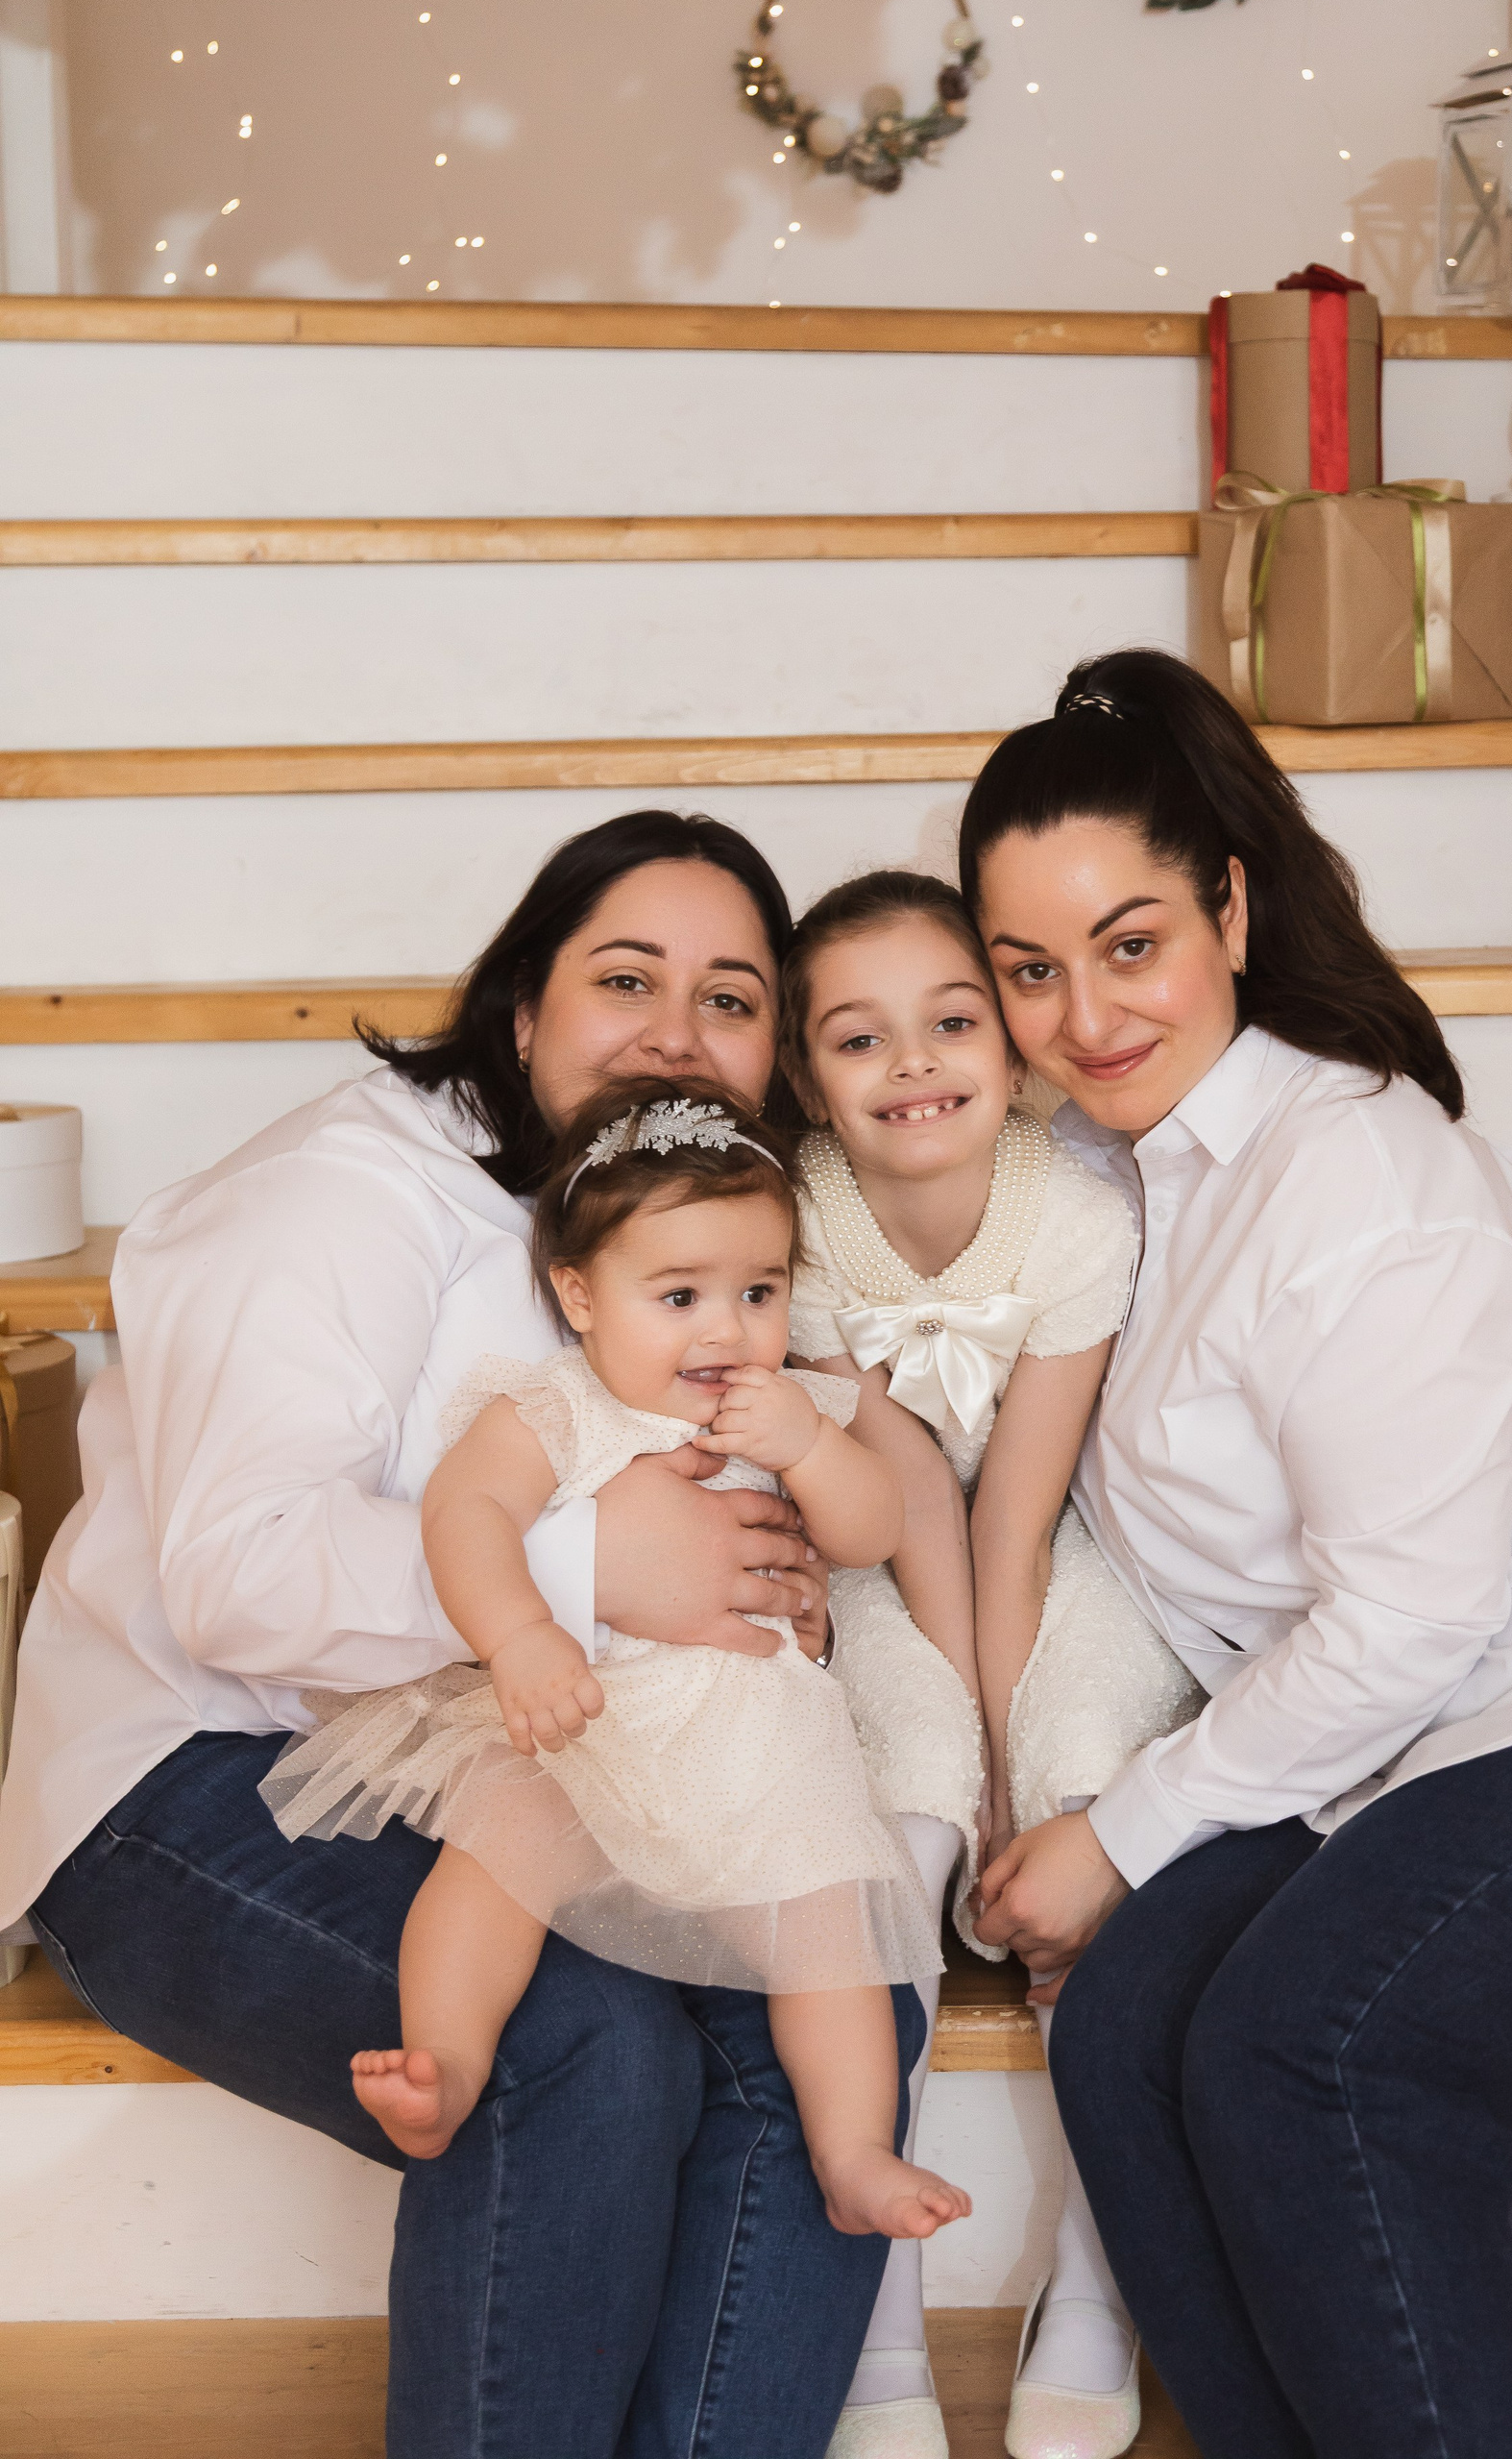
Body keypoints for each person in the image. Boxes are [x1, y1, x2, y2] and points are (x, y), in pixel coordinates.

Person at [963, 648, 1512, 2459]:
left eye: (1132, 945)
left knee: (1316, 2059)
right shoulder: (1113, 1184)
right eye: (1029, 969)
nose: (1084, 1016)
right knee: (1126, 2032)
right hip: (1423, 1742)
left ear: (1229, 907)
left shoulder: (1348, 1170)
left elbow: (1414, 1614)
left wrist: (1120, 1831)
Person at [0, 810, 930, 2459]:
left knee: (836, 1994)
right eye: (625, 979)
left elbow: (813, 1486)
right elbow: (234, 1579)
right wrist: (600, 1566)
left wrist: (764, 1572)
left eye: (730, 998)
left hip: (539, 1750)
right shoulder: (331, 1195)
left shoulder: (705, 1219)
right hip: (186, 1775)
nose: (678, 1031)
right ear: (520, 1005)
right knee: (586, 2048)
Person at [260, 1070, 965, 2248]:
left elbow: (871, 1532)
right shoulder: (555, 1408)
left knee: (833, 1931)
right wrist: (519, 1635)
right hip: (583, 1717)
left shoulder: (789, 1402)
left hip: (750, 1743)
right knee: (500, 1851)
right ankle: (444, 2061)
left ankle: (854, 2152)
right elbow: (464, 1516)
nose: (724, 1329)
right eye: (678, 1295)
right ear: (580, 1294)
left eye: (758, 1291)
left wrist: (809, 1445)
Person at [779, 870, 1203, 2459]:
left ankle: (1095, 2283)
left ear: (1011, 1045)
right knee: (902, 1790)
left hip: (1050, 1544)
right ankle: (875, 2310)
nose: (914, 1064)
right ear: (808, 1075)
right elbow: (903, 1508)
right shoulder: (805, 1220)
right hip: (876, 1548)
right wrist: (968, 1760)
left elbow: (1015, 1518)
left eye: (952, 1021)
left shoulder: (1075, 1216)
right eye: (859, 1038)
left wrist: (1028, 1782)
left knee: (1092, 1776)